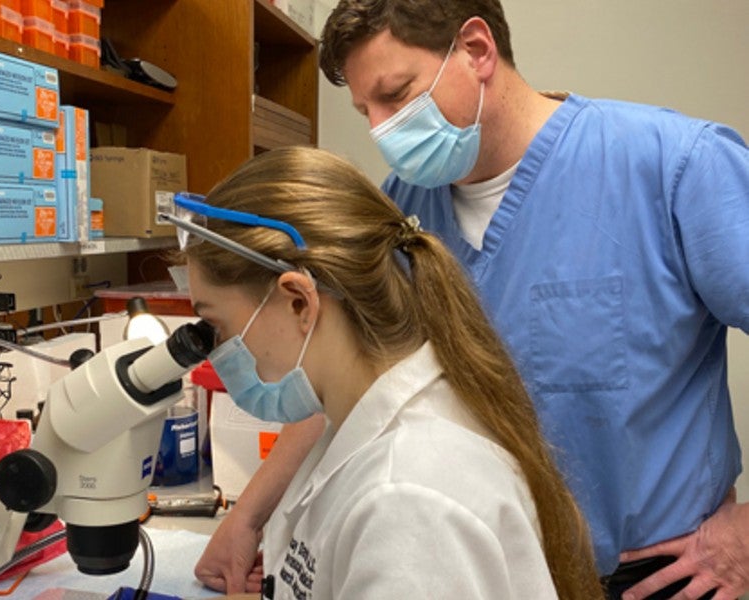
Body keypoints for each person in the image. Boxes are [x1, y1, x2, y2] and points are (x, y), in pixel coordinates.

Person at [196, 1, 749, 599]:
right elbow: (343, 375)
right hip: (476, 570)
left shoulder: (673, 168)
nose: (382, 131)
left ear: (477, 50)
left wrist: (746, 534)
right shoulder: (405, 205)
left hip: (656, 580)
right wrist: (247, 518)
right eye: (365, 111)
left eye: (396, 95)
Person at [168, 146, 603, 599]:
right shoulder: (351, 418)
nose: (214, 353)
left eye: (217, 326)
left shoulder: (409, 499)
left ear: (299, 300)